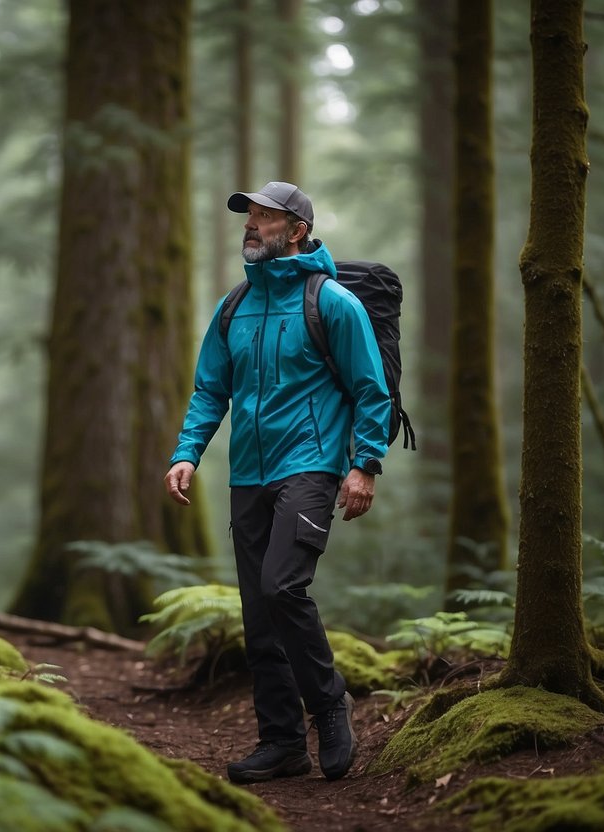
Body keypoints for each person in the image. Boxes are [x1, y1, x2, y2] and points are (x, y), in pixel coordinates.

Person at [164, 181, 390, 784]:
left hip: (310, 467)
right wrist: (187, 453)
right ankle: (282, 742)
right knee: (260, 609)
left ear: (297, 231)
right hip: (249, 474)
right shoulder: (234, 306)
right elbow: (211, 388)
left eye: (266, 217)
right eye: (249, 217)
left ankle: (329, 708)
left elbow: (372, 389)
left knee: (284, 586)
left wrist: (364, 465)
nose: (252, 225)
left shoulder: (334, 302)